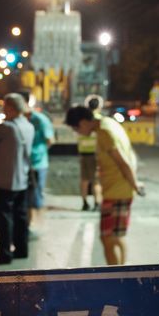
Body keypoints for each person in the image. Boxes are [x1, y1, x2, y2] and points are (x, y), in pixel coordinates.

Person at [65, 104, 143, 265]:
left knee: (107, 238)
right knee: (116, 237)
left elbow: (123, 162)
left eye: (76, 128)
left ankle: (116, 277)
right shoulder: (108, 122)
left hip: (117, 191)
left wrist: (135, 184)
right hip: (118, 190)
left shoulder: (105, 133)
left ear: (84, 122)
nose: (77, 132)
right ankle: (122, 271)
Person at [0, 93, 34, 265]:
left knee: (3, 218)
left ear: (11, 108)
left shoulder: (8, 127)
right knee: (20, 217)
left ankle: (4, 253)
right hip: (22, 179)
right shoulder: (28, 126)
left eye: (5, 107)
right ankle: (21, 249)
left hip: (4, 181)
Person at [26, 100, 55, 233]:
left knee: (35, 195)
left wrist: (38, 154)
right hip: (24, 163)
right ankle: (27, 223)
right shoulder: (20, 119)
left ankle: (34, 223)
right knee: (27, 194)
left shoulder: (40, 120)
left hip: (37, 164)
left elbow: (50, 140)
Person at [78, 95, 103, 211]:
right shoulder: (99, 120)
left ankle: (84, 203)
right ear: (99, 106)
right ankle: (97, 203)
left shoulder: (82, 120)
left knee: (84, 179)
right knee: (96, 180)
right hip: (95, 154)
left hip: (83, 153)